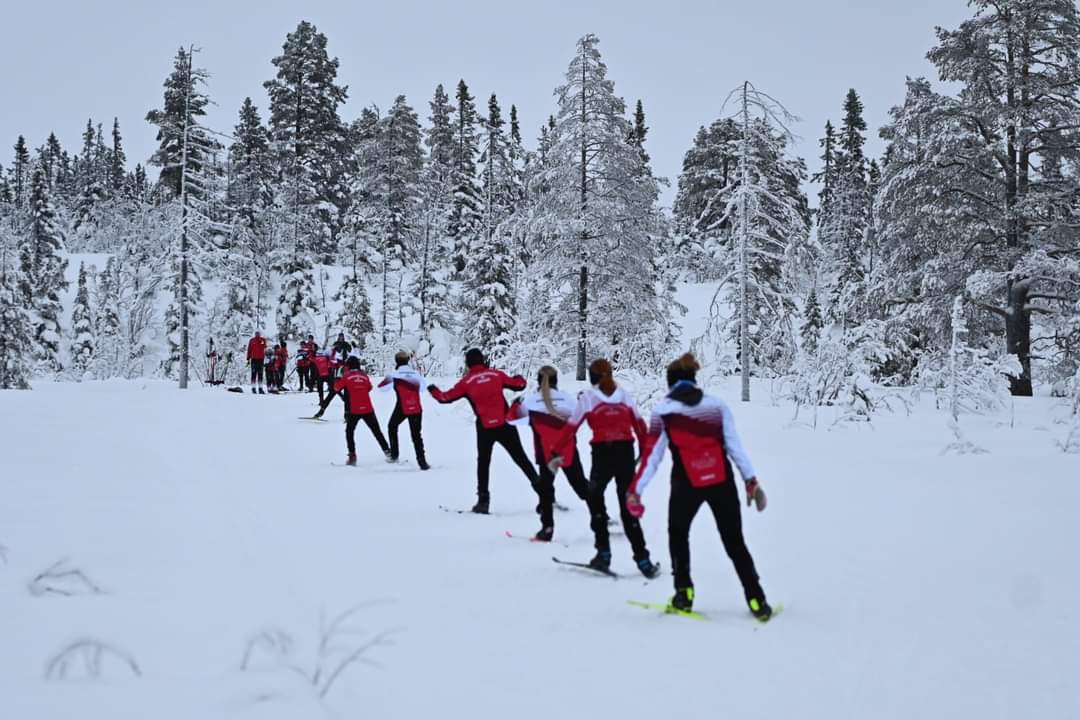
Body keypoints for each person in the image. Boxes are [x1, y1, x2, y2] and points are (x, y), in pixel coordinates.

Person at [626, 353, 772, 620]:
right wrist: (750, 481)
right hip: (721, 481)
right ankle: (756, 599)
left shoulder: (663, 410)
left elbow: (652, 456)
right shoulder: (716, 406)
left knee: (678, 536)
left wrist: (636, 489)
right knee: (734, 542)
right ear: (693, 380)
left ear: (671, 383)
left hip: (686, 484)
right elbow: (734, 446)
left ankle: (684, 594)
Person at [548, 358, 660, 578]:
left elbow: (571, 427)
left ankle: (603, 554)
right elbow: (639, 425)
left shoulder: (588, 398)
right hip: (625, 453)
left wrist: (555, 450)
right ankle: (643, 560)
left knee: (595, 500)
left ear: (592, 377)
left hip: (602, 455)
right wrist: (646, 449)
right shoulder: (624, 395)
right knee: (628, 507)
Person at [428, 348, 554, 540]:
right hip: (505, 424)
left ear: (468, 363)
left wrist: (432, 390)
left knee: (483, 463)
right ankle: (545, 495)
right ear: (483, 360)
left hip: (485, 427)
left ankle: (483, 501)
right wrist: (520, 377)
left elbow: (445, 398)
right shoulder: (496, 374)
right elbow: (519, 384)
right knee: (521, 459)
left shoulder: (466, 382)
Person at [508, 366, 603, 539]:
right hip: (567, 450)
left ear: (538, 381)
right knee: (582, 486)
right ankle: (600, 517)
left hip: (546, 452)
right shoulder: (568, 399)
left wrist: (515, 404)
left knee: (545, 490)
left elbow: (513, 420)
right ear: (556, 380)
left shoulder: (530, 401)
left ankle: (547, 529)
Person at [314, 356, 392, 466]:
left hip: (354, 409)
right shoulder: (364, 375)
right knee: (376, 431)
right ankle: (388, 452)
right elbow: (369, 388)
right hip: (368, 407)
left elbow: (336, 388)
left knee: (349, 432)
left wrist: (338, 381)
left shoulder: (346, 376)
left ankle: (352, 455)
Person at [378, 351, 429, 470]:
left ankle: (394, 454)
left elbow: (382, 388)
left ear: (396, 361)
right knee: (416, 435)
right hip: (416, 407)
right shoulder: (415, 374)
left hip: (402, 407)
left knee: (392, 426)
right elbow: (423, 388)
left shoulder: (394, 374)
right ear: (407, 360)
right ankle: (422, 462)